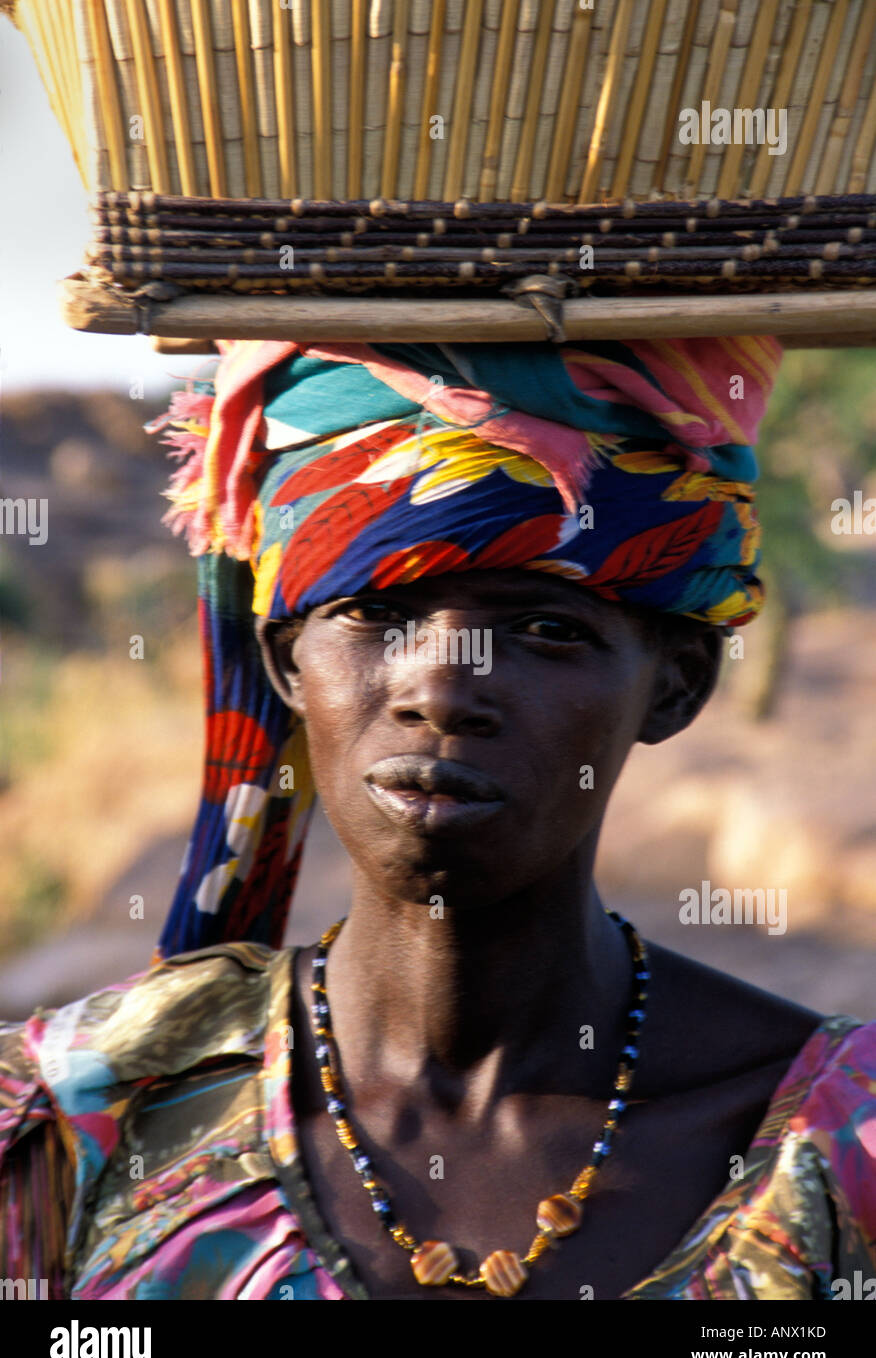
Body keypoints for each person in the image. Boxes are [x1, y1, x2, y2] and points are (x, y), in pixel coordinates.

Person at [1, 335, 873, 1301]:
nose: (443, 690)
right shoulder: (72, 1125)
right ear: (289, 663)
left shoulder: (841, 1150)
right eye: (378, 614)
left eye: (547, 629)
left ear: (679, 688)